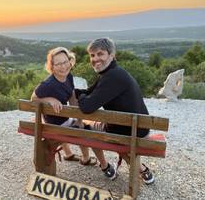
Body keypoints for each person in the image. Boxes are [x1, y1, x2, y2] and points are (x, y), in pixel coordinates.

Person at [76, 37, 155, 184]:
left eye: (100, 54)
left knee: (87, 129)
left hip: (127, 133)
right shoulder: (114, 73)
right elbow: (89, 91)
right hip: (139, 128)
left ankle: (105, 167)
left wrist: (80, 96)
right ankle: (143, 170)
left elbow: (87, 107)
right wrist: (77, 92)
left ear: (111, 55)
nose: (95, 59)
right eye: (92, 55)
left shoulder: (111, 77)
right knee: (97, 124)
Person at [31, 47, 117, 180]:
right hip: (54, 126)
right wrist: (50, 99)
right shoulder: (48, 84)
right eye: (58, 64)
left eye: (66, 62)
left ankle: (76, 156)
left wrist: (79, 119)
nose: (63, 66)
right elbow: (33, 99)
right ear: (52, 66)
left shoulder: (68, 77)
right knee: (89, 133)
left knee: (81, 126)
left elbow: (71, 96)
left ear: (70, 61)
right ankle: (103, 165)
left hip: (64, 119)